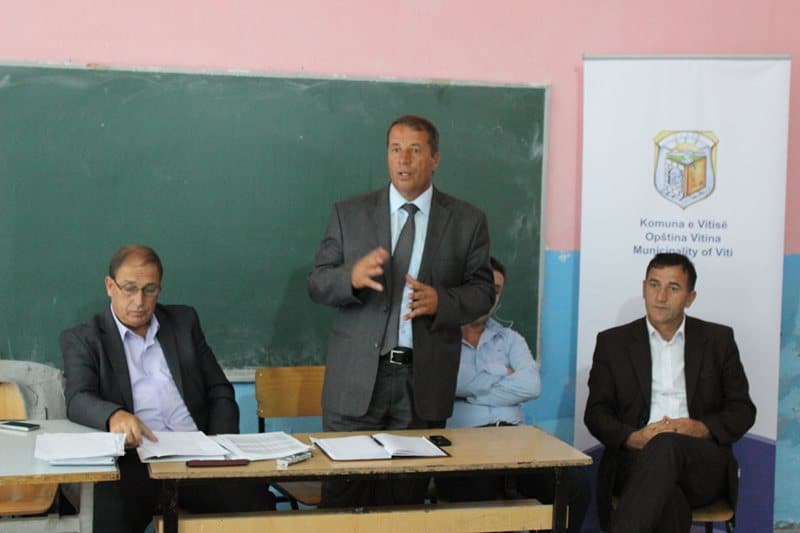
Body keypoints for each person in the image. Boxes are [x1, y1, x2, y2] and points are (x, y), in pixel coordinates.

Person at [308, 114, 495, 506]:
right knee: (342, 503)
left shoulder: (467, 220)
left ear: (435, 159)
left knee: (404, 505)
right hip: (356, 382)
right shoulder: (349, 213)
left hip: (421, 384)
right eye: (395, 149)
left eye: (414, 150)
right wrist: (350, 277)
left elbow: (482, 293)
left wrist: (443, 302)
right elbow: (318, 283)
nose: (404, 159)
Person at [60, 245, 274, 533]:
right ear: (110, 286)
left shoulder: (183, 323)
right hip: (134, 463)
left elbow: (220, 391)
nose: (139, 301)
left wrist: (220, 445)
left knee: (255, 501)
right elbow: (77, 398)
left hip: (197, 459)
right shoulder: (84, 339)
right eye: (129, 289)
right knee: (109, 512)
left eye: (150, 290)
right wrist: (113, 416)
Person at [584, 253, 756, 532]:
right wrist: (632, 437)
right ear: (643, 288)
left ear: (690, 298)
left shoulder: (718, 340)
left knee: (666, 445)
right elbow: (596, 413)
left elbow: (742, 410)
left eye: (673, 288)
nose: (660, 297)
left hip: (701, 463)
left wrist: (700, 428)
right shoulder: (612, 343)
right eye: (654, 285)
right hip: (634, 460)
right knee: (669, 501)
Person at [439, 256, 589, 533]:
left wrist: (469, 393)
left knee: (576, 486)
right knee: (481, 498)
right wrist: (503, 372)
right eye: (483, 287)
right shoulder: (438, 337)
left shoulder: (511, 339)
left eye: (496, 290)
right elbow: (449, 382)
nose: (489, 296)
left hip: (515, 441)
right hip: (462, 446)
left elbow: (531, 386)